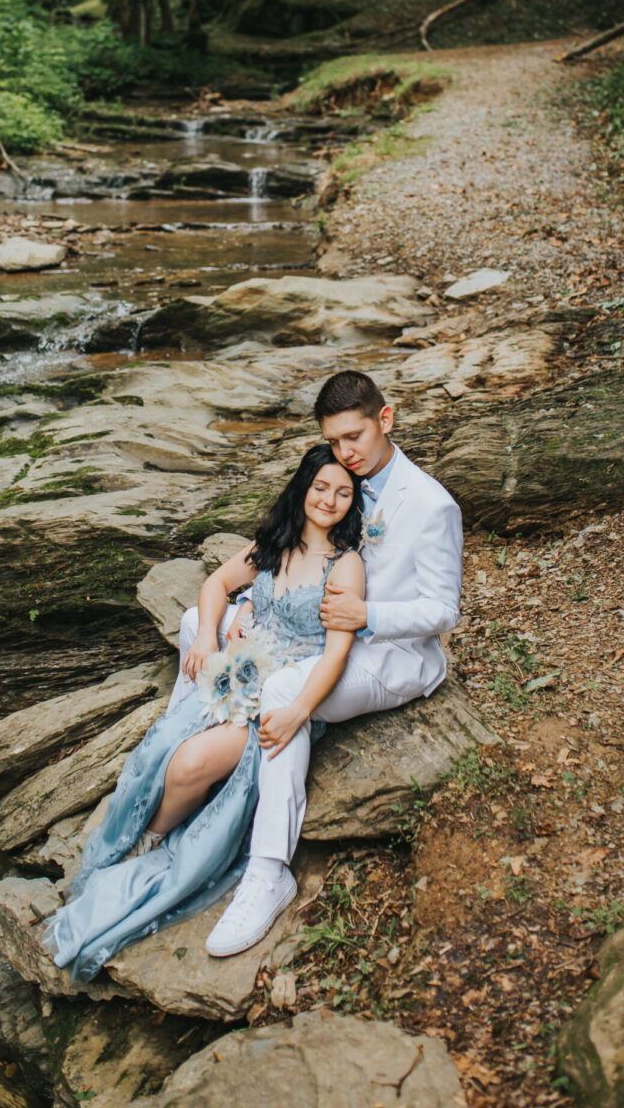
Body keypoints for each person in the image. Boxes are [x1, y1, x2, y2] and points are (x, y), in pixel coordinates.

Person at [43, 444, 364, 983]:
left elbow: (336, 654)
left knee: (189, 763)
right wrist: (211, 637)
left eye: (343, 492)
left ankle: (156, 845)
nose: (330, 500)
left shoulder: (345, 564)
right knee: (163, 747)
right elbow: (216, 584)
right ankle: (145, 835)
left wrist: (298, 710)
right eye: (321, 487)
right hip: (238, 670)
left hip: (282, 693)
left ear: (352, 502)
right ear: (303, 488)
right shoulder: (275, 542)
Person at [174, 368, 463, 958]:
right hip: (318, 631)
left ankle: (269, 870)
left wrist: (369, 615)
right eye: (333, 442)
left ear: (387, 418)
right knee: (193, 623)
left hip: (386, 652)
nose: (344, 453)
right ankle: (203, 732)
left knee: (284, 691)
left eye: (354, 437)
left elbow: (443, 610)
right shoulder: (337, 482)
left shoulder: (432, 505)